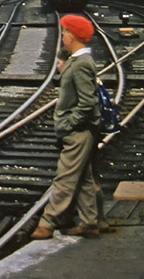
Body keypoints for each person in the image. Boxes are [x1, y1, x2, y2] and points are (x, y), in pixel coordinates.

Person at [31, 14, 103, 239]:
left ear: (73, 36)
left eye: (64, 32)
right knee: (83, 177)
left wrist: (70, 124)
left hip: (78, 131)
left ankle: (48, 222)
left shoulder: (81, 64)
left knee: (65, 177)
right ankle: (90, 223)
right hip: (79, 130)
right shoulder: (76, 60)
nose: (62, 36)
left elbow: (87, 102)